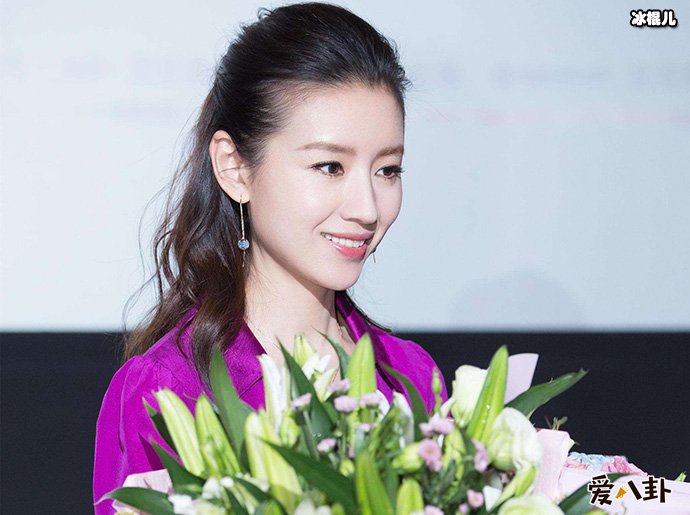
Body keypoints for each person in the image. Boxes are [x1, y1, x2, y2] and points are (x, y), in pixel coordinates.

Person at [93, 2, 448, 513]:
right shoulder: (170, 389)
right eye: (329, 166)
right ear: (235, 168)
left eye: (387, 170)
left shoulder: (410, 377)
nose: (368, 209)